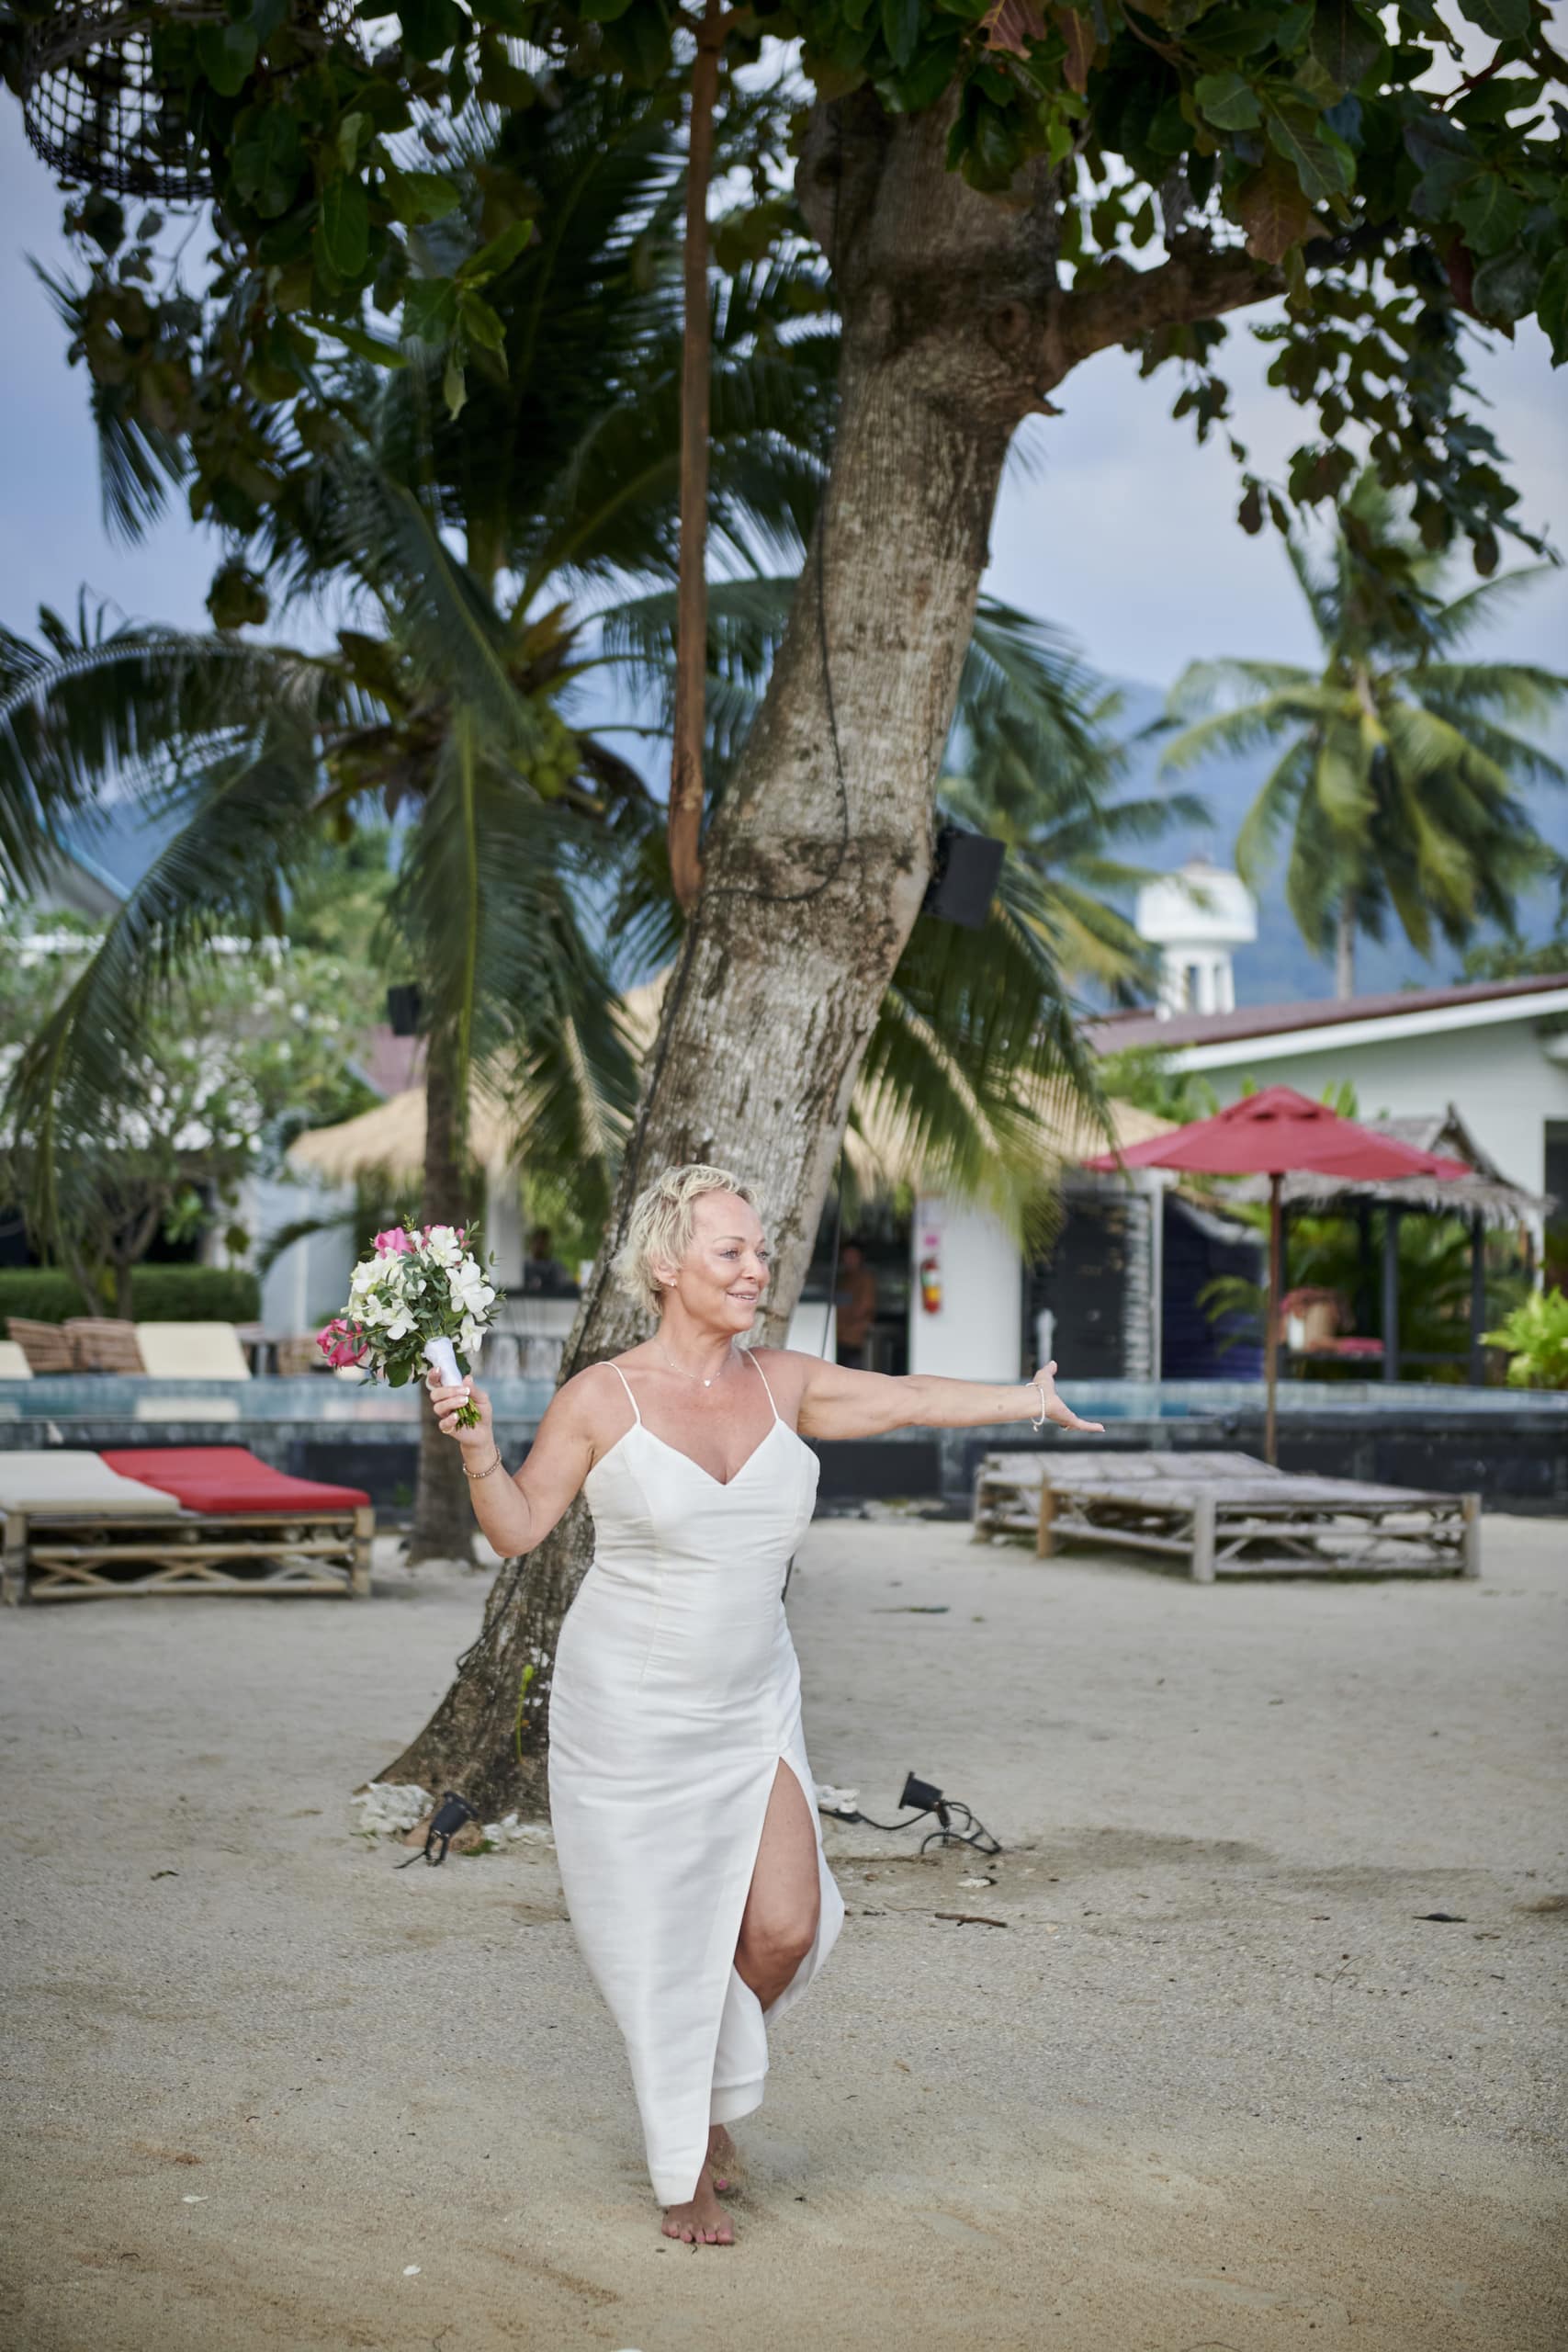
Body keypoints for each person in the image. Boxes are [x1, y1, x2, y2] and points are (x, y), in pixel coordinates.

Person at [424, 1162, 1102, 2249]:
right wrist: (476, 1450)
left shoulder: (786, 1381)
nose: (755, 1268)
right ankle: (683, 2157)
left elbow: (912, 1398)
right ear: (666, 1266)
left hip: (753, 1700)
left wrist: (1026, 1398)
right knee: (664, 1943)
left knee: (787, 1927)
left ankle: (699, 2089)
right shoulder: (604, 1396)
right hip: (632, 1712)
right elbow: (515, 1530)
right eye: (730, 1251)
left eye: (759, 1250)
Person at [832, 1238, 878, 1368]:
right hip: (840, 1336)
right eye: (846, 1256)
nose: (849, 1260)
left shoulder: (866, 1279)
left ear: (860, 1257)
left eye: (852, 1256)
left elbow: (864, 1307)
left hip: (854, 1336)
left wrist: (846, 1326)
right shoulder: (843, 1279)